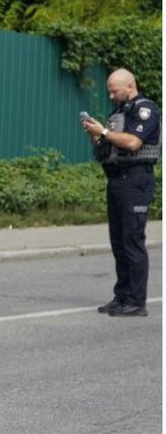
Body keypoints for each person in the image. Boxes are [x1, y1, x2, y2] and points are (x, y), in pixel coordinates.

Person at [81, 68, 160, 317]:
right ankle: (122, 296)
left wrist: (104, 132)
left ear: (130, 86)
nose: (112, 96)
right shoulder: (118, 113)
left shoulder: (145, 110)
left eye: (115, 91)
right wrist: (96, 137)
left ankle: (136, 302)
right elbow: (107, 148)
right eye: (110, 92)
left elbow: (134, 143)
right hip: (116, 181)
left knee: (132, 241)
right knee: (118, 243)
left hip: (136, 181)